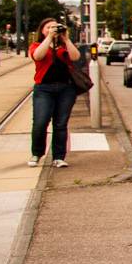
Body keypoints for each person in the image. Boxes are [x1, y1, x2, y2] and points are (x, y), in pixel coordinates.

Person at [27, 18, 82, 169]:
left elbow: (76, 57)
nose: (52, 29)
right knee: (40, 122)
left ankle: (58, 157)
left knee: (60, 123)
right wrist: (49, 37)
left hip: (66, 89)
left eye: (55, 27)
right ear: (42, 30)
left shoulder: (64, 45)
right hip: (44, 89)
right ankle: (36, 154)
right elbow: (38, 56)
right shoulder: (37, 45)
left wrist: (66, 39)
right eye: (48, 27)